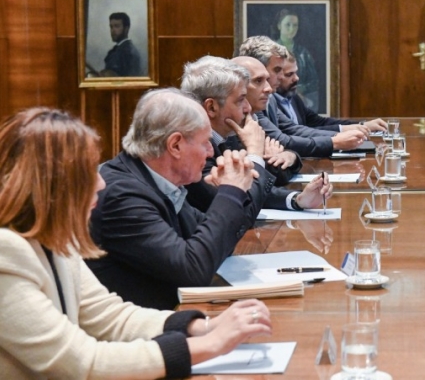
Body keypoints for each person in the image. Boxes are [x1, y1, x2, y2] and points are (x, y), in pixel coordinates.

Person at [0, 107, 272, 379]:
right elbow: (83, 362)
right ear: (51, 185)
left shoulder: (55, 239)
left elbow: (110, 317)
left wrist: (203, 326)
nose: (99, 184)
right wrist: (210, 344)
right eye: (86, 172)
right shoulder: (7, 252)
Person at [87, 88, 324, 309]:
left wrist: (226, 194)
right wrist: (231, 192)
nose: (211, 152)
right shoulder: (122, 194)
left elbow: (220, 244)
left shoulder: (157, 178)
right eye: (205, 143)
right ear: (175, 145)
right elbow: (192, 269)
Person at [180, 55, 330, 214]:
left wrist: (297, 200)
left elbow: (258, 185)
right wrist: (255, 152)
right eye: (240, 100)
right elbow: (242, 206)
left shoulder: (230, 135)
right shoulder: (192, 151)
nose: (248, 108)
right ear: (211, 108)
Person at [238, 35, 366, 157]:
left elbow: (292, 129)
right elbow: (281, 140)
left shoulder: (270, 99)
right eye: (277, 70)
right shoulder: (246, 105)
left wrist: (339, 136)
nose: (281, 76)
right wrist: (334, 142)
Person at [276, 53, 387, 133]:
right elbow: (299, 132)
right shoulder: (270, 104)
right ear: (275, 76)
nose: (297, 78)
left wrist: (362, 125)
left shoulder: (293, 97)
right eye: (289, 75)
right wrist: (346, 130)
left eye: (296, 73)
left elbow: (319, 122)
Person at [271, 9, 320, 110]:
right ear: (279, 26)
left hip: (301, 102)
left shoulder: (303, 53)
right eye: (287, 25)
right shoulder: (270, 51)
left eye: (295, 25)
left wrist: (300, 89)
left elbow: (314, 81)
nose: (291, 29)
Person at [103, 12, 142, 77]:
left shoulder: (128, 51)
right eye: (111, 27)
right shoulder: (118, 49)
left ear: (126, 29)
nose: (113, 30)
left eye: (117, 26)